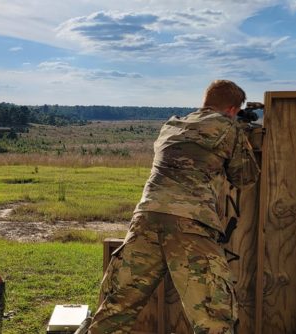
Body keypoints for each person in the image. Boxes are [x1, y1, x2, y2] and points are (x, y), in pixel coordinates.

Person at [87, 80, 260, 333]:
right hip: (190, 223)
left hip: (145, 217)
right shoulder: (226, 127)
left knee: (117, 308)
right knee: (212, 315)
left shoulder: (172, 125)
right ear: (233, 109)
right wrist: (241, 132)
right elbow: (245, 177)